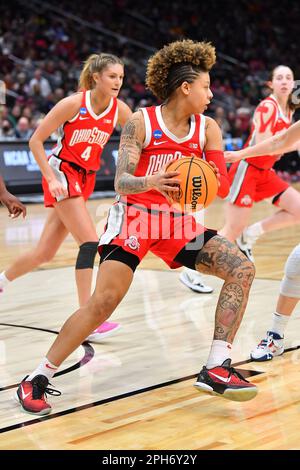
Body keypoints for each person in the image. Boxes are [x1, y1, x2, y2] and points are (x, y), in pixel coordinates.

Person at [15, 39, 258, 416]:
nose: (212, 95)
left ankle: (216, 366)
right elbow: (121, 182)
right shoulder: (140, 122)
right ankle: (37, 377)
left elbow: (221, 187)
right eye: (207, 87)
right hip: (135, 218)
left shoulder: (208, 129)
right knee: (103, 303)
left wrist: (206, 174)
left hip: (177, 224)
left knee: (240, 269)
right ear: (186, 87)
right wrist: (152, 181)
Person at [0, 53, 132, 341]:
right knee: (89, 243)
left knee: (44, 253)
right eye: (112, 76)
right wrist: (50, 178)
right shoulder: (74, 103)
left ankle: (0, 282)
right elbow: (35, 140)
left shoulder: (119, 109)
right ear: (96, 77)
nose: (118, 82)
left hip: (85, 178)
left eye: (121, 77)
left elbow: (141, 133)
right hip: (62, 173)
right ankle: (88, 318)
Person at [225, 114, 300, 361]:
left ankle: (276, 337)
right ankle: (275, 337)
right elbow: (278, 142)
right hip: (251, 165)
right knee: (296, 266)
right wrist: (240, 155)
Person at [219, 65, 300, 262]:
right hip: (247, 168)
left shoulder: (288, 109)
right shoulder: (267, 107)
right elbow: (267, 145)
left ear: (293, 83)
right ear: (271, 84)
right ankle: (191, 270)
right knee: (233, 228)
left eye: (288, 78)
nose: (284, 81)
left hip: (265, 171)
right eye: (279, 78)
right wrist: (292, 145)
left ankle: (250, 235)